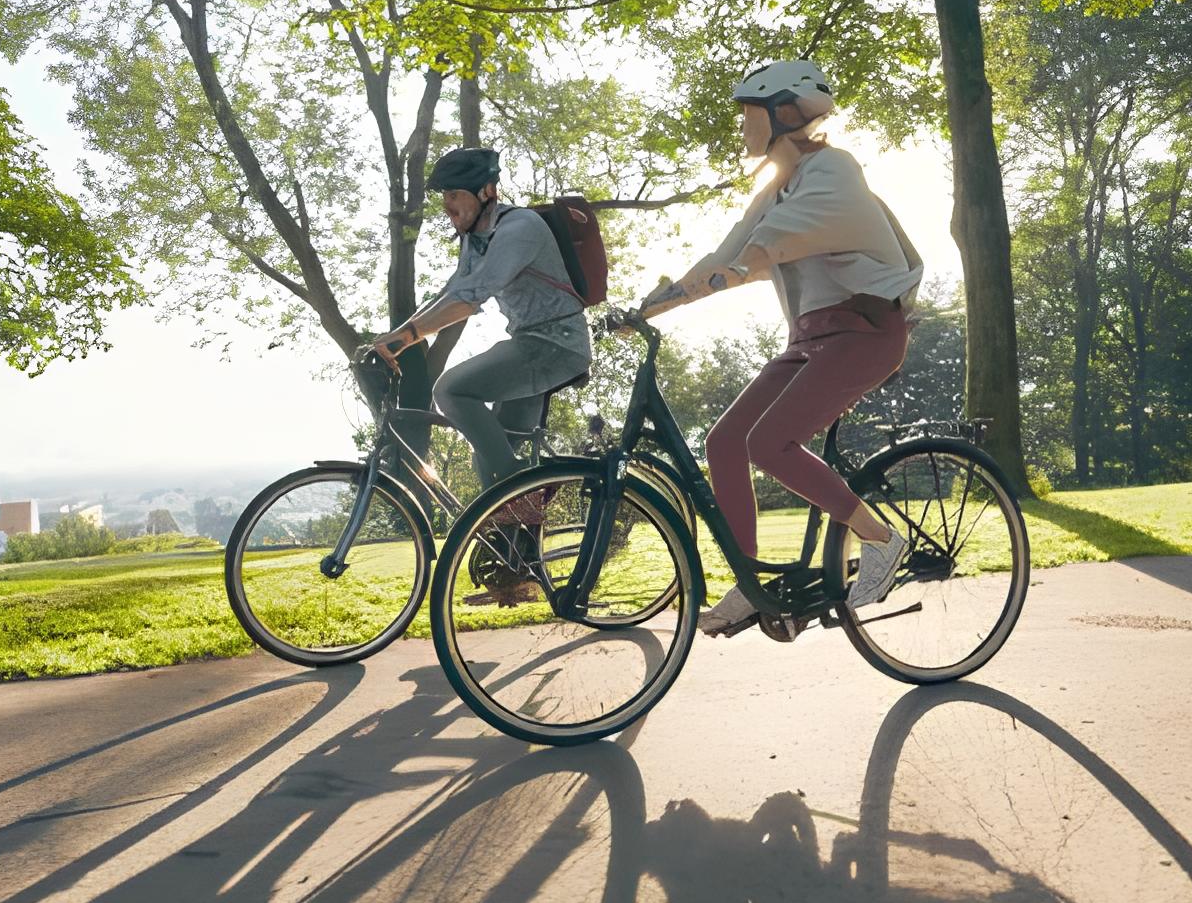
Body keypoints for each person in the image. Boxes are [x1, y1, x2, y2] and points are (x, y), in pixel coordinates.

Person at [645, 60, 922, 634]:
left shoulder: (835, 171)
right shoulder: (774, 189)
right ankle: (750, 583)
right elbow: (729, 252)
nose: (743, 127)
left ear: (785, 113)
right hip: (811, 340)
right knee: (724, 442)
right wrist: (653, 305)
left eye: (750, 114)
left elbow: (777, 239)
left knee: (769, 442)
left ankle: (880, 538)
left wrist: (740, 265)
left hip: (865, 332)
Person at [371, 146, 592, 491]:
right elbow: (452, 292)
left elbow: (470, 299)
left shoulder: (520, 227)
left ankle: (518, 499)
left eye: (455, 194)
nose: (447, 205)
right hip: (530, 345)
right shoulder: (475, 240)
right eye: (445, 196)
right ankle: (518, 539)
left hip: (554, 344)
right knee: (489, 459)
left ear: (486, 192)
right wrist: (396, 336)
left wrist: (406, 337)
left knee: (451, 390)